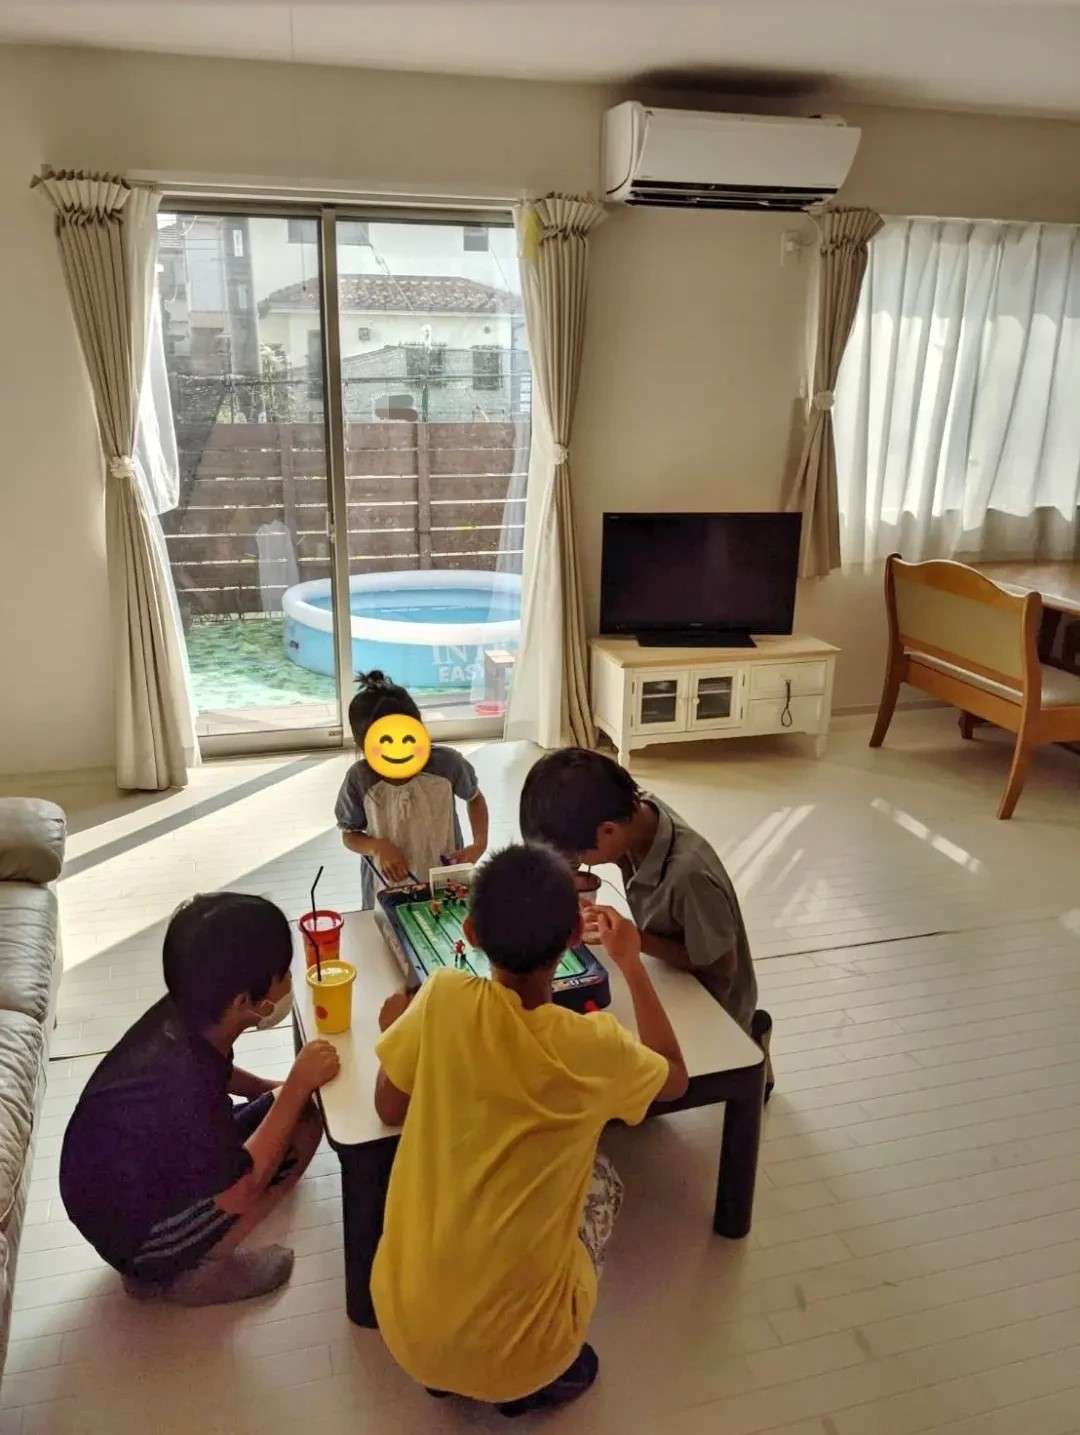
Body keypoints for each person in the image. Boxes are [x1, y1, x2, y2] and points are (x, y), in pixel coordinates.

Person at [371, 844, 689, 1414]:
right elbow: (675, 1078)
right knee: (603, 1175)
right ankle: (527, 1382)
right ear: (575, 935)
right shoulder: (597, 1047)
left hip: (403, 1328)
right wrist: (633, 965)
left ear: (469, 931)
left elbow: (388, 1107)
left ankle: (454, 1371)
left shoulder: (442, 998)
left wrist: (397, 1030)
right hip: (524, 1359)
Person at [59, 892, 340, 1306]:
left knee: (301, 1114)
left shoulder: (187, 1012)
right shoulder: (181, 1084)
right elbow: (239, 1190)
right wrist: (295, 1087)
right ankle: (188, 1271)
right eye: (283, 974)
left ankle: (183, 1253)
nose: (288, 982)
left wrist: (273, 1091)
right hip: (134, 1233)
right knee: (294, 1130)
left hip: (140, 1173)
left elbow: (219, 1071)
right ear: (243, 1002)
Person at [520, 748, 773, 1099]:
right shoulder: (634, 812)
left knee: (623, 1066)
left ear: (608, 831)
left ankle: (753, 1039)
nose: (576, 863)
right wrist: (569, 879)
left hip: (714, 1002)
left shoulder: (689, 875)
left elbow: (720, 965)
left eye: (577, 856)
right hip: (672, 966)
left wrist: (636, 941)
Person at [335, 670, 488, 905]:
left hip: (445, 884)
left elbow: (474, 797)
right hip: (386, 890)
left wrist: (479, 843)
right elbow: (349, 834)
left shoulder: (448, 764)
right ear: (362, 744)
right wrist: (378, 847)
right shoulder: (359, 778)